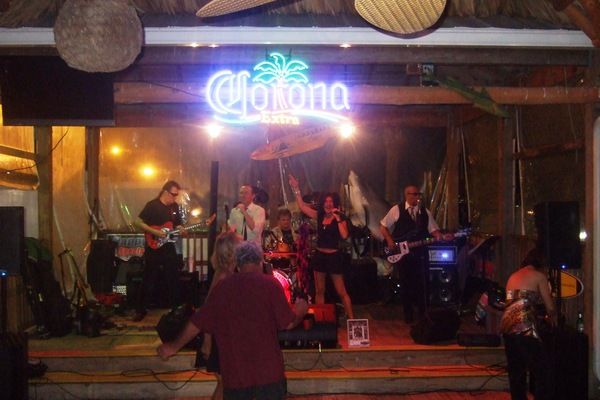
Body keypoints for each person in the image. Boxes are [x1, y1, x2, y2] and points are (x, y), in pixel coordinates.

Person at [157, 241, 308, 400]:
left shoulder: (223, 288)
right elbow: (288, 323)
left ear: (237, 264)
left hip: (235, 375)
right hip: (268, 374)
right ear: (260, 261)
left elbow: (197, 322)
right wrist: (300, 310)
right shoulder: (271, 285)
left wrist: (173, 347)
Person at [379, 184, 453, 323]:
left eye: (418, 194)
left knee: (422, 283)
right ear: (407, 195)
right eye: (414, 194)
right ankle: (408, 315)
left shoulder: (424, 212)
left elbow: (433, 230)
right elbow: (383, 226)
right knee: (406, 284)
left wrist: (442, 236)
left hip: (420, 252)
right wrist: (389, 240)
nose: (417, 197)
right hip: (403, 254)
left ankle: (422, 315)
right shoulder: (397, 209)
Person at [289, 174, 354, 319]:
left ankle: (352, 321)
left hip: (334, 256)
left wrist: (337, 218)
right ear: (322, 203)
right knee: (319, 290)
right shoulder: (319, 216)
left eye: (331, 202)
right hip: (320, 256)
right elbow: (302, 206)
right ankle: (320, 319)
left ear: (335, 203)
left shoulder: (340, 217)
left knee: (341, 291)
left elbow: (344, 235)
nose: (328, 204)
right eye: (326, 201)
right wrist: (296, 188)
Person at [500, 248, 556, 400]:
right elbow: (550, 307)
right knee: (542, 370)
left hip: (507, 325)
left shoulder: (513, 276)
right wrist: (553, 316)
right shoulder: (539, 276)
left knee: (516, 371)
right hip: (524, 326)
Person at [133, 180, 185, 322]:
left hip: (168, 246)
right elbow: (137, 222)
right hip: (153, 246)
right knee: (148, 277)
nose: (175, 197)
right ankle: (140, 309)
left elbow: (177, 224)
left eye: (177, 195)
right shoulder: (152, 205)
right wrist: (154, 232)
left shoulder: (174, 207)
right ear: (165, 192)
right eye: (173, 194)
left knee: (173, 276)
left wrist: (181, 229)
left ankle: (176, 308)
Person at [200, 231, 242, 400]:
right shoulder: (224, 275)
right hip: (217, 338)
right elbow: (209, 309)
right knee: (225, 383)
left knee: (225, 383)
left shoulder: (225, 273)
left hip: (222, 336)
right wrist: (207, 341)